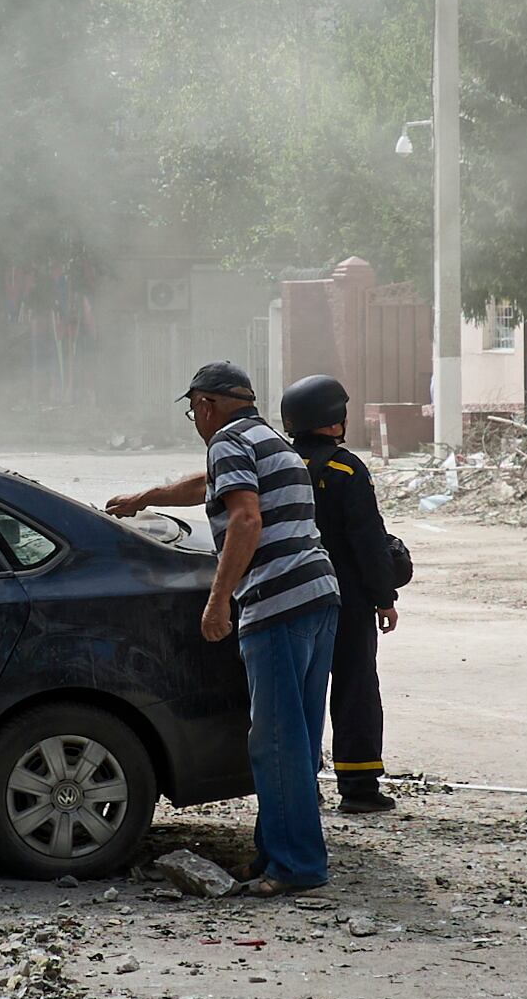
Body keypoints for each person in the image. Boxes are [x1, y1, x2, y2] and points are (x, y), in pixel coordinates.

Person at [108, 361, 339, 895]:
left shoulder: (227, 442)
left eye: (193, 410)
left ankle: (295, 865)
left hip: (277, 602)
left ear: (207, 405)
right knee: (296, 738)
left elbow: (245, 518)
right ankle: (278, 854)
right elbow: (209, 486)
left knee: (276, 741)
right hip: (318, 596)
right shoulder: (267, 440)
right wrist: (146, 497)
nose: (195, 421)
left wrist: (218, 601)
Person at [280, 374, 403, 815]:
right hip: (347, 598)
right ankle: (359, 788)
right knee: (354, 689)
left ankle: (299, 787)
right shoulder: (346, 469)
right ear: (333, 419)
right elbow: (368, 541)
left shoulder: (280, 465)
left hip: (292, 595)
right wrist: (384, 595)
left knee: (297, 696)